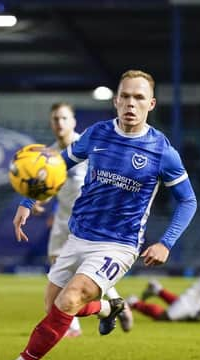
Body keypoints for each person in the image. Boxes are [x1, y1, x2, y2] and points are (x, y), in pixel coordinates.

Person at [0, 70, 197, 360]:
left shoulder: (162, 151)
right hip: (78, 236)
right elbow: (58, 165)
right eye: (126, 96)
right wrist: (27, 201)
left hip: (118, 245)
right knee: (56, 308)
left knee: (69, 300)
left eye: (139, 98)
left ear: (152, 104)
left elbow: (188, 201)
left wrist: (166, 243)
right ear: (116, 101)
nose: (131, 103)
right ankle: (109, 307)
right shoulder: (97, 134)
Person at [34, 102, 134, 337]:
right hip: (62, 220)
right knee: (58, 268)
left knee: (84, 269)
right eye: (55, 119)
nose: (59, 123)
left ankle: (78, 322)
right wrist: (39, 202)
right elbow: (49, 188)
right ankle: (116, 305)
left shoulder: (89, 147)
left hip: (90, 221)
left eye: (64, 118)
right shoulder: (50, 155)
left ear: (73, 121)